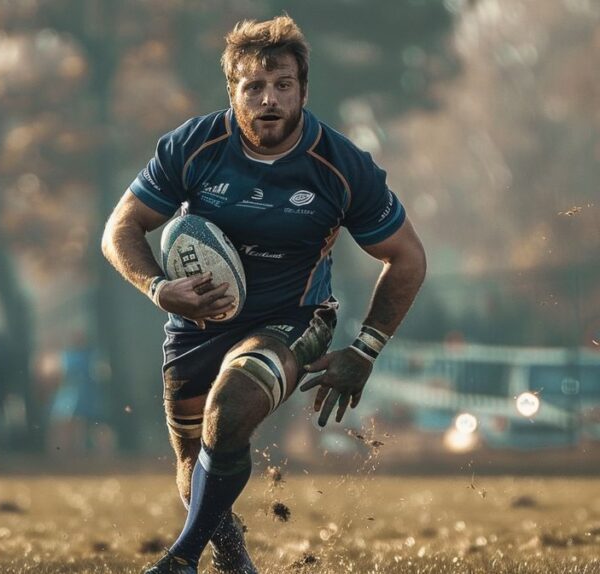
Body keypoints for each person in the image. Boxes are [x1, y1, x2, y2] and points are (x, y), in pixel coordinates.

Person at [101, 16, 427, 573]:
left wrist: (365, 348)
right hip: (196, 324)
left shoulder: (342, 166)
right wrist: (159, 288)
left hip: (293, 318)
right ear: (233, 92)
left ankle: (179, 560)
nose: (269, 99)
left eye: (282, 85)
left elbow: (408, 258)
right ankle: (234, 563)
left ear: (304, 90)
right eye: (254, 86)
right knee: (192, 461)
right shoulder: (193, 145)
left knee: (227, 415)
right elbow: (120, 230)